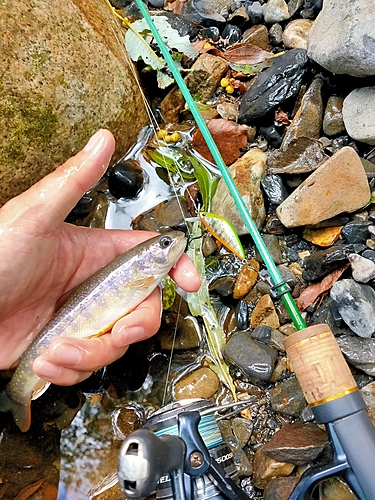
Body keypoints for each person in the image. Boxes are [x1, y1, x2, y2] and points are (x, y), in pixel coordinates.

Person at [0, 129, 201, 386]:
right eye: (165, 243)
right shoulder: (143, 273)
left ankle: (21, 387)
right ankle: (19, 389)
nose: (173, 241)